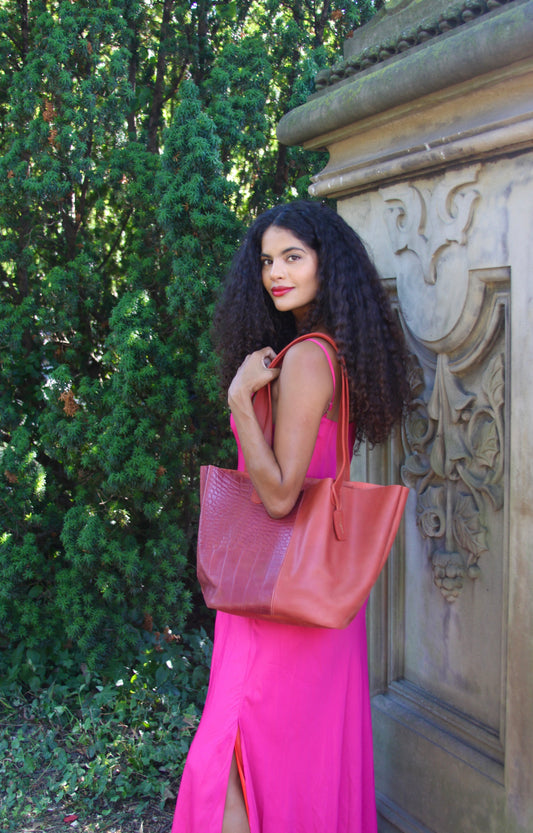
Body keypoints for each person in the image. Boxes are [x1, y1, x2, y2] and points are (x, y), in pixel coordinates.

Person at [171, 200, 411, 833]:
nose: (275, 272)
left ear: (326, 264)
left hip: (272, 601)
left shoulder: (307, 358)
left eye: (293, 257)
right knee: (295, 767)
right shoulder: (332, 353)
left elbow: (277, 496)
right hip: (307, 597)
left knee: (228, 762)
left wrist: (239, 403)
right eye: (267, 261)